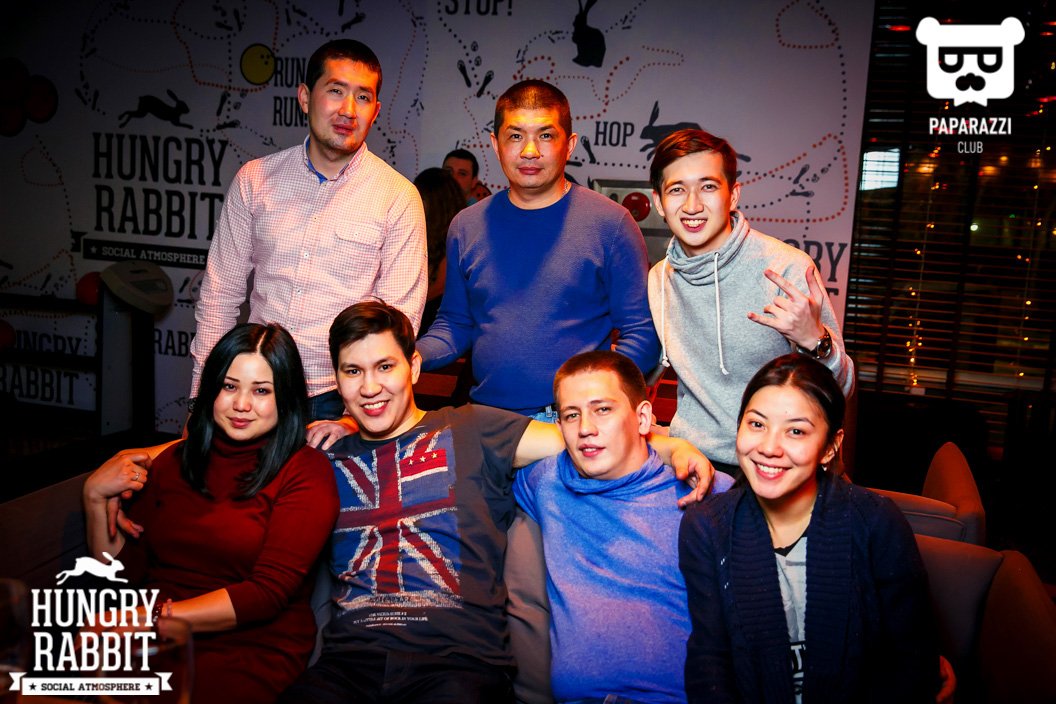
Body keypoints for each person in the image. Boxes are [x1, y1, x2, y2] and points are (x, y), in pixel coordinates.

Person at [279, 301, 711, 704]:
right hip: (349, 664)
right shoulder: (325, 458)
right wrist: (342, 425)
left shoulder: (473, 427)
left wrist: (675, 447)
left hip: (455, 665)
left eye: (385, 367)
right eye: (353, 371)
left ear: (413, 367)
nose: (370, 387)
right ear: (336, 379)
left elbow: (591, 438)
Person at [83, 323, 340, 704]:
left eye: (261, 391)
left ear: (285, 397)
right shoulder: (174, 461)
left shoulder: (305, 471)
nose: (241, 404)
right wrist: (93, 496)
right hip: (151, 638)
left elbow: (266, 594)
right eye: (229, 386)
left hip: (248, 646)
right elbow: (122, 577)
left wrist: (150, 619)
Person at [190, 38, 427, 421]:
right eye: (335, 91)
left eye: (363, 97)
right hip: (257, 386)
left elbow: (399, 322)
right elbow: (220, 294)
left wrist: (353, 418)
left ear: (376, 111)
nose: (348, 110)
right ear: (304, 97)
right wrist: (201, 397)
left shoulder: (397, 196)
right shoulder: (255, 179)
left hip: (341, 397)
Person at [679, 354, 938, 702]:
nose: (769, 448)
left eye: (796, 431)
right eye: (756, 424)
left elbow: (912, 661)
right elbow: (709, 662)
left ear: (830, 447)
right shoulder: (707, 527)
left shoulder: (875, 522)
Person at [418, 80, 660, 419]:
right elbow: (455, 323)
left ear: (569, 144)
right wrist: (411, 356)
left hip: (571, 421)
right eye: (515, 136)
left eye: (545, 135)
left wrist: (594, 401)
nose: (529, 151)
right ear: (496, 144)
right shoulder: (466, 226)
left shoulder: (611, 224)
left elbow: (642, 331)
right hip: (485, 416)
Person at [513, 351, 734, 703]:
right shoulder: (547, 481)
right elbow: (475, 444)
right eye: (571, 415)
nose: (585, 428)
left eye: (603, 409)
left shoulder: (707, 489)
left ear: (642, 417)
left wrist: (674, 448)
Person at [647, 129, 853, 475]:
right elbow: (648, 365)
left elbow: (840, 390)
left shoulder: (786, 268)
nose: (692, 205)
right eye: (677, 189)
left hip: (775, 464)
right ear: (658, 202)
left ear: (733, 195)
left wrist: (815, 340)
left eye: (708, 187)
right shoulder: (660, 278)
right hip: (695, 462)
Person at [413, 167, 466, 335]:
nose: (414, 204)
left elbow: (436, 290)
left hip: (436, 331)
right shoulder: (422, 235)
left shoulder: (456, 240)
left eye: (419, 198)